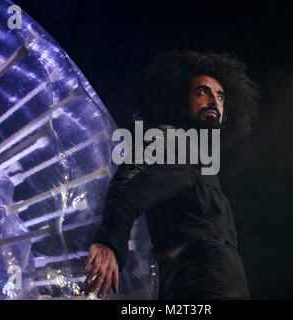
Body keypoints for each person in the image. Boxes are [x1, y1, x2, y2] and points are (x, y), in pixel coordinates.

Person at [84, 50, 259, 299]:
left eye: (220, 96)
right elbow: (128, 183)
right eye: (203, 92)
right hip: (204, 286)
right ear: (179, 100)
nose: (214, 101)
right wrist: (110, 241)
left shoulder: (199, 156)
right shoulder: (173, 139)